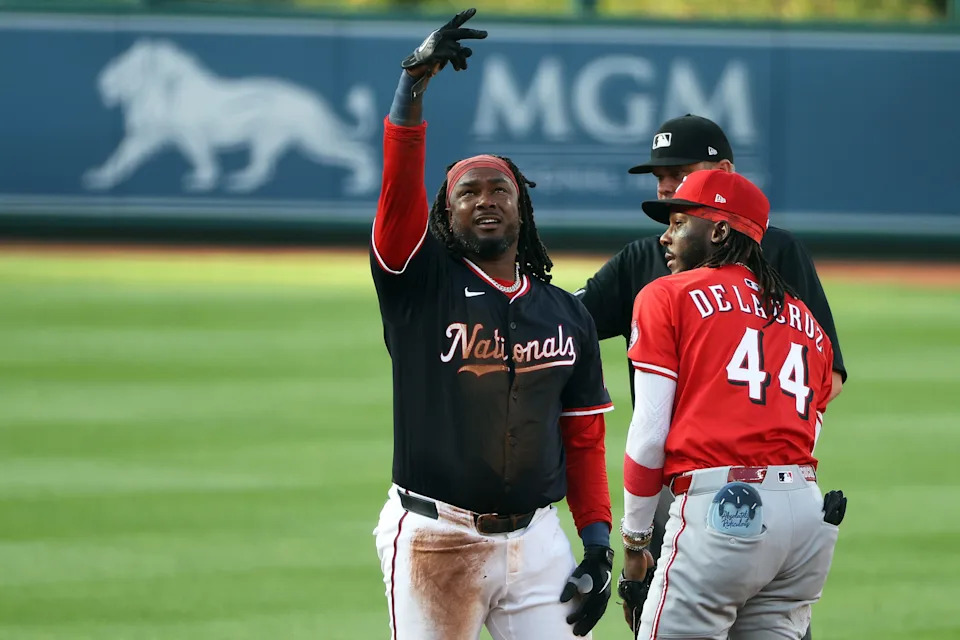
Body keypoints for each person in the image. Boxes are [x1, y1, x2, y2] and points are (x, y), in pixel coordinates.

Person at [369, 9, 615, 639]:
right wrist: (412, 91)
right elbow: (397, 196)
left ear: (520, 207)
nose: (484, 200)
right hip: (438, 538)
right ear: (446, 218)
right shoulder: (419, 288)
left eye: (498, 189)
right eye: (467, 193)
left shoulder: (565, 313)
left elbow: (583, 437)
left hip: (538, 544)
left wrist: (596, 542)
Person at [575, 115, 846, 640]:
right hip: (803, 510)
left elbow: (650, 432)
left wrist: (633, 541)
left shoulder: (667, 291)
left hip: (710, 502)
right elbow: (815, 405)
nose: (668, 228)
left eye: (680, 216)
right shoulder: (803, 321)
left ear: (720, 225)